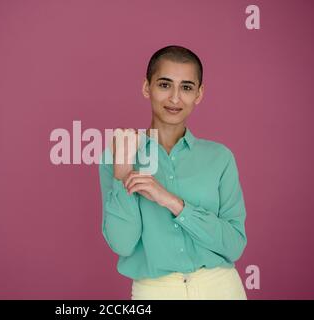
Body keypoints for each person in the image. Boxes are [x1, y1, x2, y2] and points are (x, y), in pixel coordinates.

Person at [98, 45, 248, 300]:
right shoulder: (117, 155)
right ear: (147, 88)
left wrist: (171, 201)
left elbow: (234, 245)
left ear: (199, 94)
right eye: (165, 85)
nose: (175, 98)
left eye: (186, 87)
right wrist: (122, 170)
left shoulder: (220, 157)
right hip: (155, 291)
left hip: (221, 288)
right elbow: (122, 243)